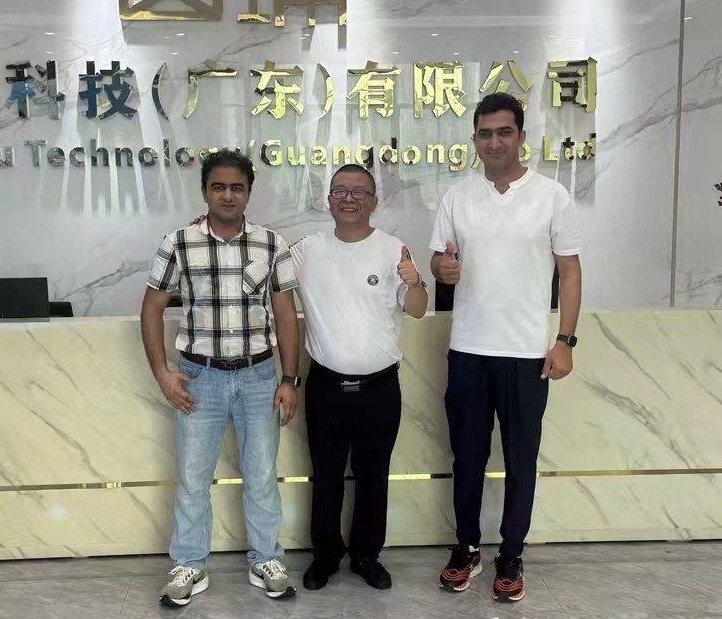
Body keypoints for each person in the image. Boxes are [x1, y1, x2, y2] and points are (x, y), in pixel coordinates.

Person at [429, 93, 582, 603]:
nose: (493, 142)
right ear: (475, 140)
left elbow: (570, 271)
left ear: (521, 136)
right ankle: (467, 548)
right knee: (467, 457)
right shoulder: (457, 197)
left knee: (520, 461)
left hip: (526, 355)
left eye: (503, 132)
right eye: (484, 134)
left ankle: (511, 555)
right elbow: (439, 261)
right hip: (468, 350)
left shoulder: (551, 196)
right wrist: (443, 269)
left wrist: (564, 340)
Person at [140, 150, 300, 607]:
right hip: (199, 378)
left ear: (249, 192)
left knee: (262, 476)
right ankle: (189, 564)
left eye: (237, 187)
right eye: (219, 187)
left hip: (259, 376)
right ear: (205, 191)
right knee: (194, 478)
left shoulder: (272, 244)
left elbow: (286, 314)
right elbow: (151, 308)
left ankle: (266, 559)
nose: (228, 195)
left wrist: (290, 379)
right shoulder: (178, 243)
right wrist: (163, 374)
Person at [292, 164, 429, 591]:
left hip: (379, 389)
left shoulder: (393, 249)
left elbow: (418, 309)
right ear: (328, 199)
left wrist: (416, 282)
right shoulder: (306, 250)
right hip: (326, 388)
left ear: (374, 201)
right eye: (340, 191)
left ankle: (367, 555)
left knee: (374, 476)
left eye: (359, 192)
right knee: (326, 475)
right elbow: (259, 264)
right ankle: (326, 556)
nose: (349, 198)